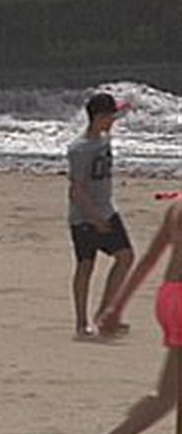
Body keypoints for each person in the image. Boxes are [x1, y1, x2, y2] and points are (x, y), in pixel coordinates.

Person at [93, 201, 182, 434]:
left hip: (170, 295)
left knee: (171, 393)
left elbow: (149, 260)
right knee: (167, 397)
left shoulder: (176, 207)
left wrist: (117, 306)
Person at [68, 92, 134, 339]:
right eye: (111, 115)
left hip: (107, 210)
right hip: (84, 217)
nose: (114, 119)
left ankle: (105, 315)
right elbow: (77, 189)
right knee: (86, 266)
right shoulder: (79, 149)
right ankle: (81, 324)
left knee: (125, 257)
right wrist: (94, 218)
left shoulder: (104, 139)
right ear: (99, 116)